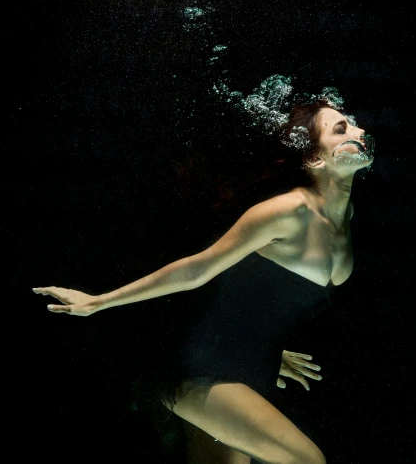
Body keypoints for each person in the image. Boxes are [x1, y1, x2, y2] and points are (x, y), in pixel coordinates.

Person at [33, 97, 375, 464]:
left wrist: (260, 341)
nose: (358, 132)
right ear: (314, 158)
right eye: (340, 128)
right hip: (197, 367)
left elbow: (255, 291)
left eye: (353, 124)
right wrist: (98, 301)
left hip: (247, 364)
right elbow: (198, 269)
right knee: (307, 460)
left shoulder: (345, 216)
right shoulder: (289, 211)